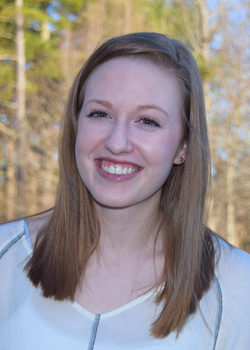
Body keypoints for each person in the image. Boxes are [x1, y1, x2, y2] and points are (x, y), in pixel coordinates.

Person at [0, 32, 250, 350]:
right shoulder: (4, 260)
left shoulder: (239, 288)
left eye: (147, 121)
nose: (117, 142)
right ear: (76, 127)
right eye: (100, 114)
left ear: (183, 146)